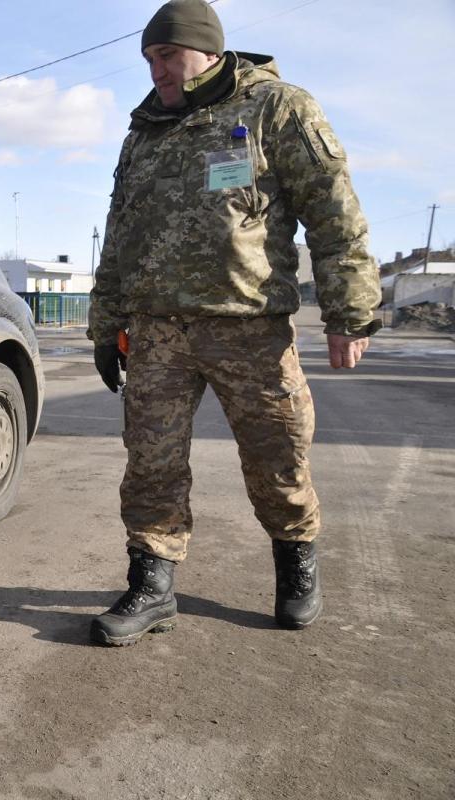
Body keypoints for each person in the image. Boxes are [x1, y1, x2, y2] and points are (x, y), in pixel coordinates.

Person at [87, 0, 380, 646]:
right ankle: (152, 583)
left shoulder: (277, 108)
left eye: (168, 55)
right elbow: (120, 235)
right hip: (159, 329)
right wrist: (105, 326)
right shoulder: (144, 133)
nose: (157, 70)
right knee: (151, 462)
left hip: (249, 327)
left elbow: (333, 212)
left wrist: (350, 311)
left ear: (209, 51)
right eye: (149, 59)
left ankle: (296, 559)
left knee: (279, 454)